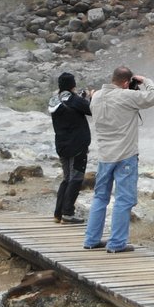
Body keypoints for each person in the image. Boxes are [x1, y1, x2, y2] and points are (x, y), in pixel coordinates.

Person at [83, 66, 154, 253]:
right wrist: (145, 81)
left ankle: (91, 240)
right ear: (126, 83)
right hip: (125, 156)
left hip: (104, 156)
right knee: (123, 200)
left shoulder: (96, 97)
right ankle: (117, 243)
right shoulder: (126, 96)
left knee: (100, 197)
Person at [48, 72, 92, 224]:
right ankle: (68, 213)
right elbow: (91, 109)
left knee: (67, 178)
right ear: (72, 85)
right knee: (76, 178)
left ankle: (58, 214)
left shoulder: (54, 100)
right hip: (77, 145)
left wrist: (79, 97)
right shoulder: (74, 100)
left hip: (61, 145)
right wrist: (88, 97)